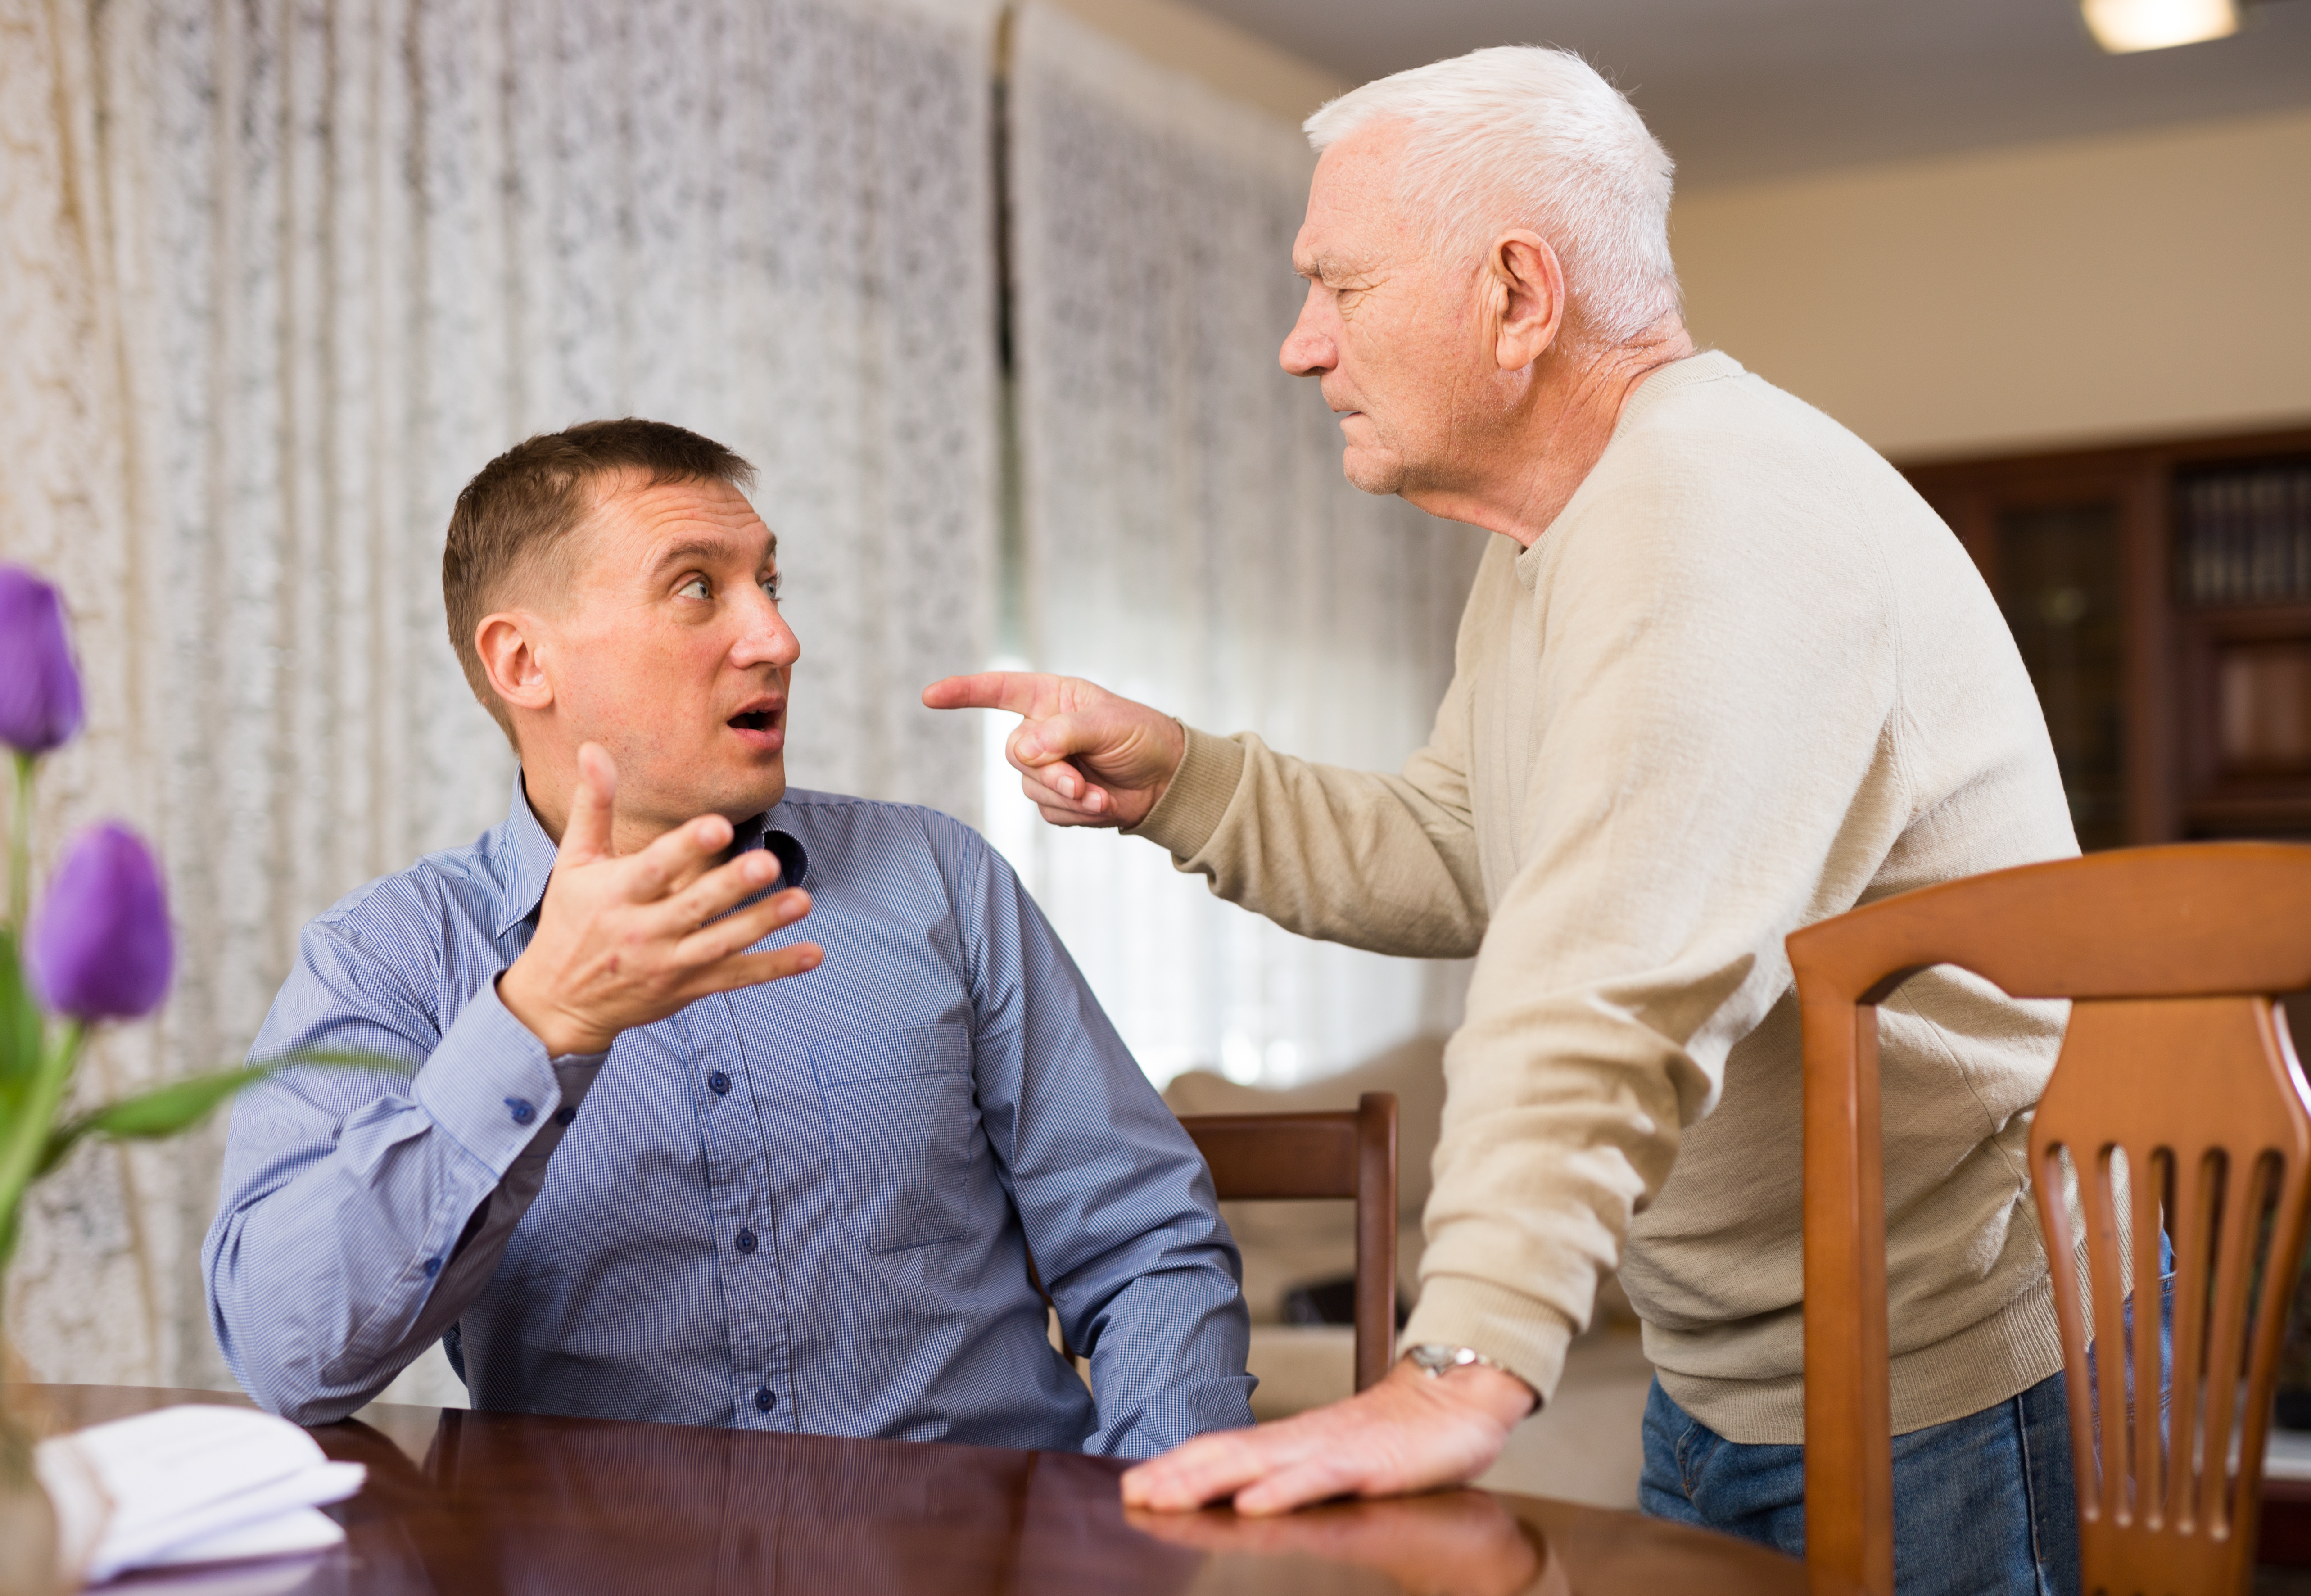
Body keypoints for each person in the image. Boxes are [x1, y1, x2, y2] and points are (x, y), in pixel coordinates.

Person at [927, 45, 2082, 1594]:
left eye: (1338, 286)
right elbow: (1467, 847)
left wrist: (1458, 1361)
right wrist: (1189, 779)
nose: (1298, 344)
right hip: (1731, 1364)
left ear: (1517, 295)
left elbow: (1606, 962)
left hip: (1926, 1378)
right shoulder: (1561, 537)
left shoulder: (1714, 521)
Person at [204, 419, 1253, 1458]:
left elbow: (1145, 1245)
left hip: (972, 1554)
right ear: (524, 662)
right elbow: (290, 1355)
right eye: (699, 587)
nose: (776, 639)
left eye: (771, 585)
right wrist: (535, 1028)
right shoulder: (387, 957)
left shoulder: (939, 879)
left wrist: (1156, 1533)